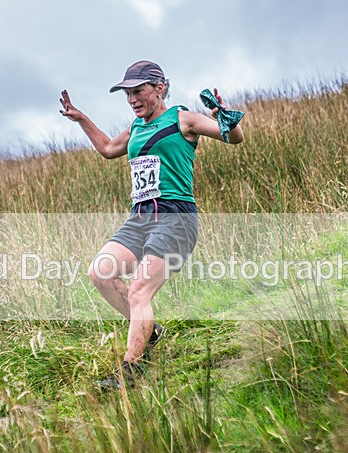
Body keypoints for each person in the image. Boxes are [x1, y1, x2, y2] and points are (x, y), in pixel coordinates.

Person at [59, 60, 244, 389]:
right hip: (139, 217)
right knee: (99, 272)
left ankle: (131, 371)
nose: (132, 99)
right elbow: (107, 149)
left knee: (140, 291)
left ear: (159, 88)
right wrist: (81, 119)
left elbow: (234, 137)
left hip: (175, 218)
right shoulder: (134, 128)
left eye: (138, 91)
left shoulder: (182, 119)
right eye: (128, 94)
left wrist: (221, 114)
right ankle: (150, 331)